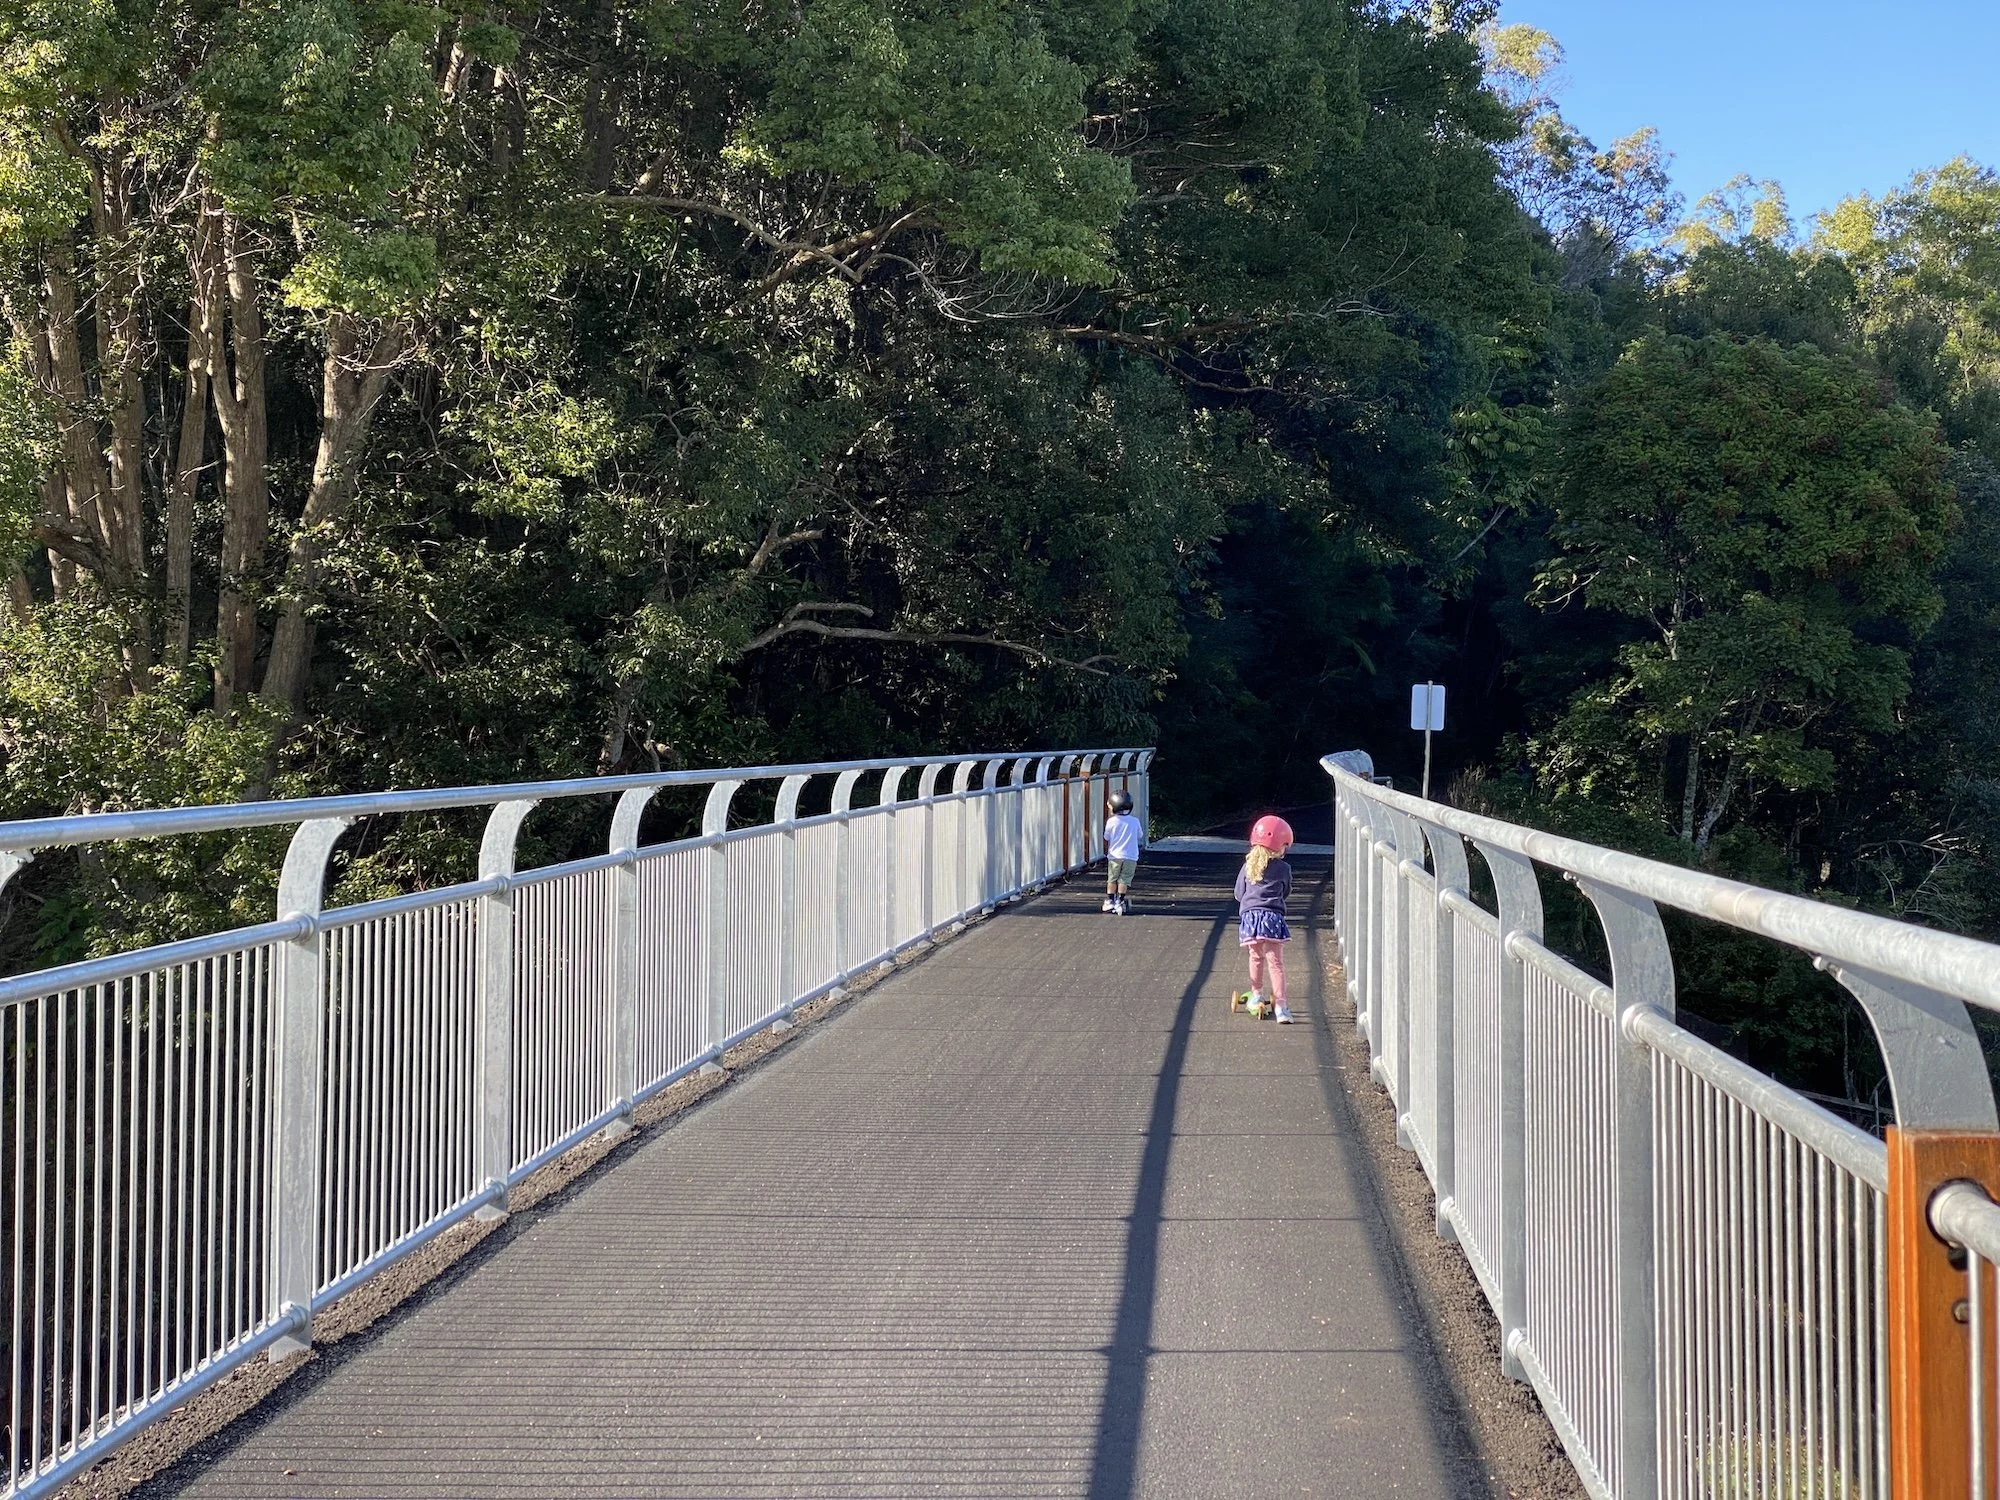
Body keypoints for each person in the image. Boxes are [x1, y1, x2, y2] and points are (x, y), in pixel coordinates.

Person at [1235, 814, 1296, 1022]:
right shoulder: (1284, 868)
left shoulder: (1248, 866)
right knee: (1276, 962)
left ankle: (1257, 994)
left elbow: (1238, 893)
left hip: (1251, 918)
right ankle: (1281, 1007)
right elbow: (1285, 891)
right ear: (1280, 844)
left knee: (1256, 957)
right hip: (1273, 918)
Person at [1102, 789, 1143, 914]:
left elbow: (1106, 837)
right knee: (1124, 880)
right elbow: (1140, 835)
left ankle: (1110, 901)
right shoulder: (1135, 821)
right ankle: (1120, 901)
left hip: (1115, 856)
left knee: (1112, 879)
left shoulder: (1111, 821)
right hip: (1131, 856)